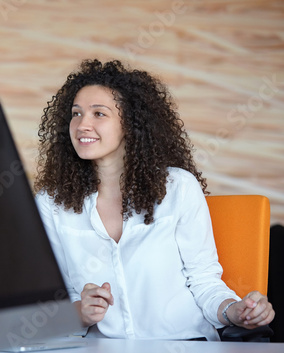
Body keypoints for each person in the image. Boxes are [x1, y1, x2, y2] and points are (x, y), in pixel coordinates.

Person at [33, 59, 275, 341]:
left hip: (183, 344)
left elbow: (204, 282)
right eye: (76, 114)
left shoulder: (178, 188)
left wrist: (234, 311)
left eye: (99, 113)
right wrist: (80, 313)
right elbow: (57, 298)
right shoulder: (50, 202)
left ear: (131, 123)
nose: (82, 124)